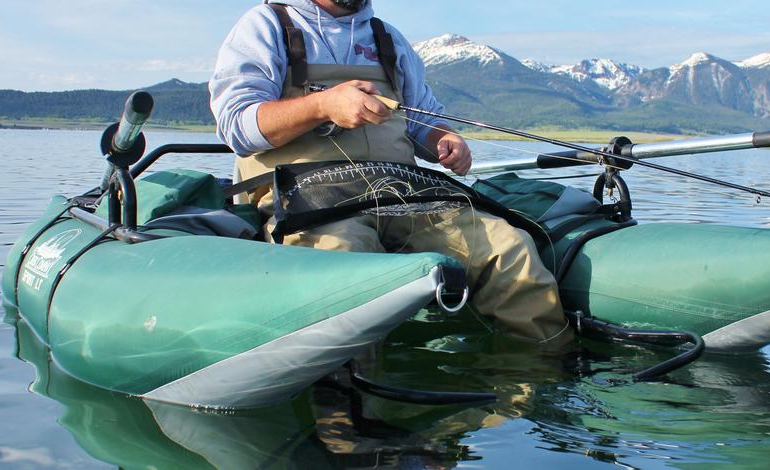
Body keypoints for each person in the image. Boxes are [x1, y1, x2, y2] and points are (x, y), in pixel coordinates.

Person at [209, 0, 571, 345]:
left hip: (401, 195)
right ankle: (344, 401)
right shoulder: (265, 26)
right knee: (345, 260)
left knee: (510, 247)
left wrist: (445, 140)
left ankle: (540, 378)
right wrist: (322, 105)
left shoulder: (388, 39)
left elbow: (423, 123)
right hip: (306, 202)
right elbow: (236, 127)